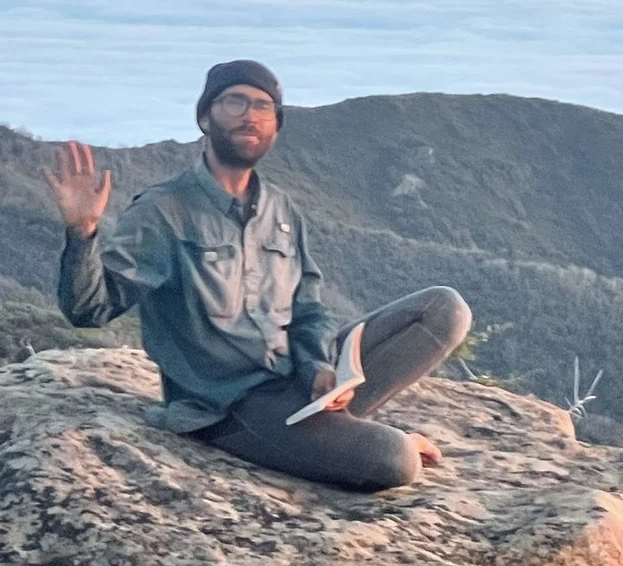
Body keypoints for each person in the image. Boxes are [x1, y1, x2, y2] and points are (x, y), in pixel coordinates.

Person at [48, 60, 472, 491]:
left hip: (298, 382)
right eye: (235, 102)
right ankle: (343, 439)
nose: (250, 114)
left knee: (444, 309)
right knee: (395, 460)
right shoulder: (164, 213)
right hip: (231, 408)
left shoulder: (281, 210)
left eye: (263, 106)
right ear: (204, 117)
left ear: (275, 127)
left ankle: (333, 430)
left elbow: (308, 308)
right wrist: (83, 233)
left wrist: (320, 368)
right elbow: (90, 309)